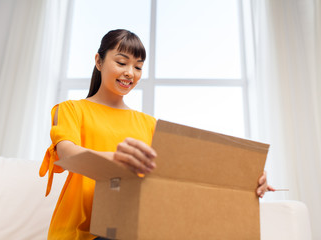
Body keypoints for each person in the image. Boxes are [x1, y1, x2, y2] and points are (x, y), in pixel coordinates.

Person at [39, 29, 273, 240]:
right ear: (99, 61)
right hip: (82, 232)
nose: (130, 73)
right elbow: (66, 152)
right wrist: (115, 160)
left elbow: (185, 170)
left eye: (138, 67)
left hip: (131, 228)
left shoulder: (148, 124)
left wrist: (247, 175)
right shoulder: (71, 109)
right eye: (121, 62)